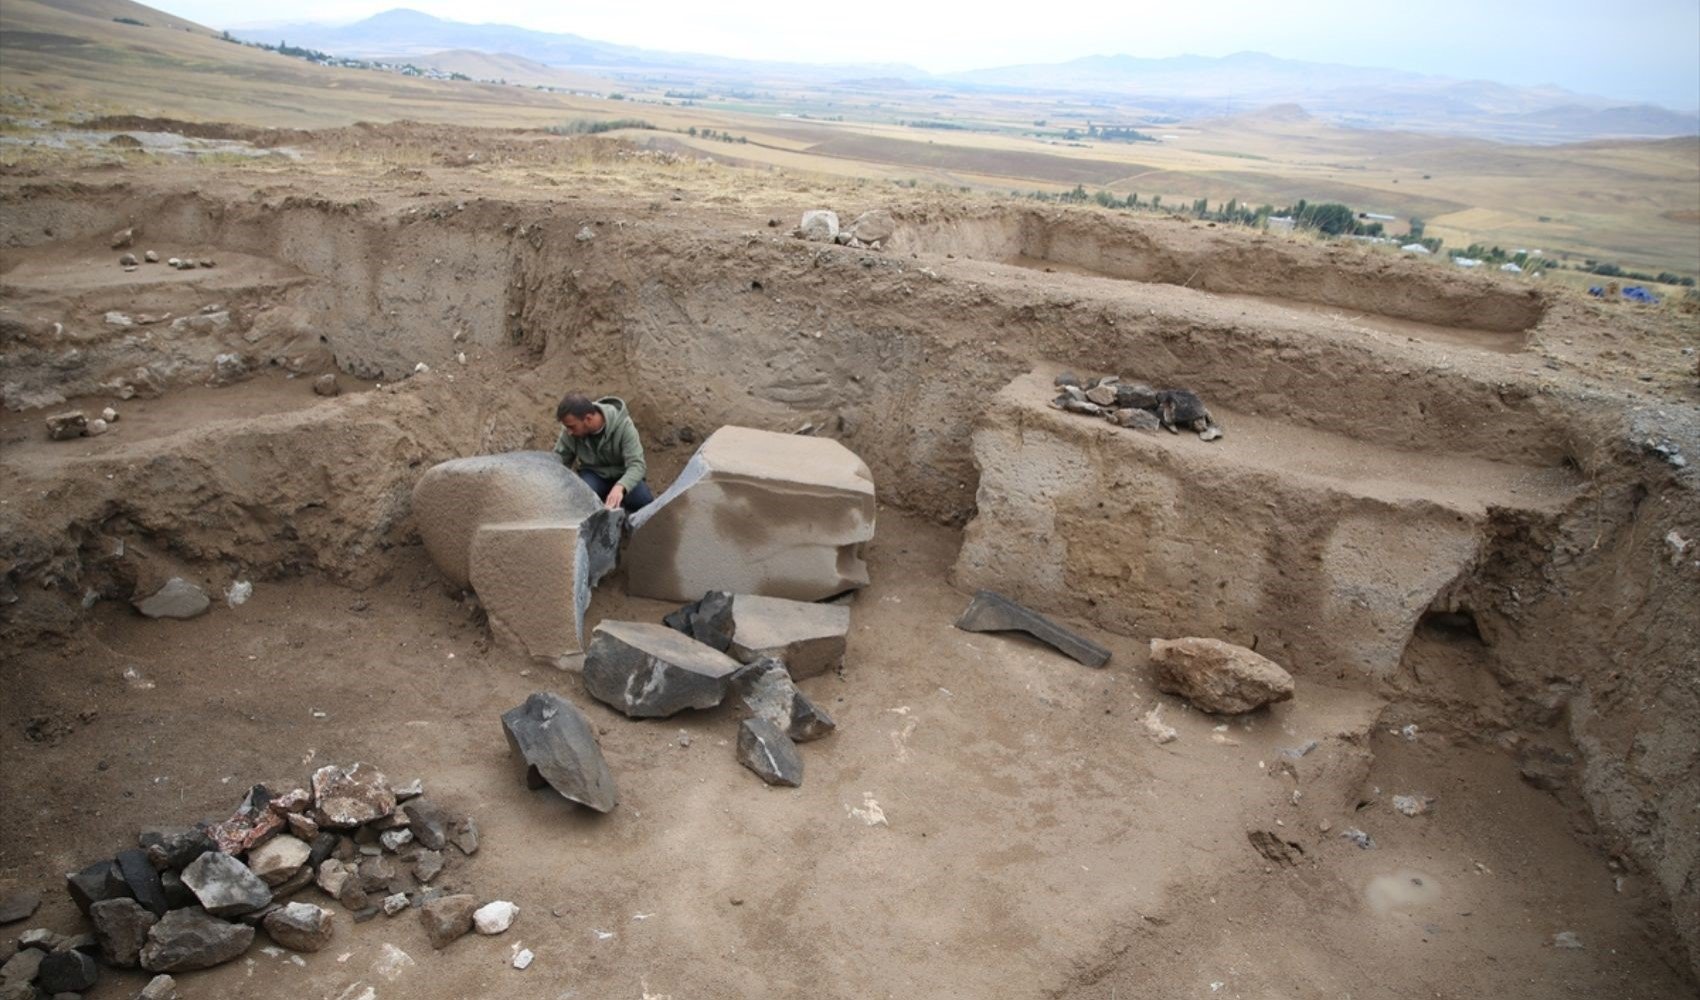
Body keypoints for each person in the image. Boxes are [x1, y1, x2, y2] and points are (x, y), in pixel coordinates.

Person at [553, 392, 653, 513]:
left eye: (572, 427)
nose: (568, 431)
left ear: (588, 419)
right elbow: (558, 463)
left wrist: (620, 487)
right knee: (580, 500)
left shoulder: (624, 426)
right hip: (593, 475)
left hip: (623, 474)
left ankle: (625, 517)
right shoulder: (569, 432)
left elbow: (637, 465)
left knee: (642, 500)